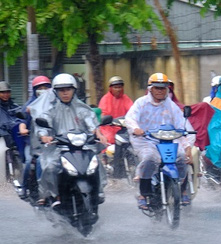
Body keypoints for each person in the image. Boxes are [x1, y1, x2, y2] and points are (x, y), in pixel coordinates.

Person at [36, 73, 108, 206]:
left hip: (82, 146)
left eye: (68, 89)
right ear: (56, 92)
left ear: (74, 90)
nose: (65, 93)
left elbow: (91, 124)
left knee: (96, 162)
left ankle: (98, 191)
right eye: (61, 90)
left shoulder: (82, 108)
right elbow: (43, 124)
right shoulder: (51, 109)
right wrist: (44, 136)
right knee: (50, 167)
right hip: (58, 148)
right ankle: (54, 195)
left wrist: (99, 134)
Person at [125, 72, 192, 209]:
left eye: (163, 88)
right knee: (149, 158)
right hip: (146, 141)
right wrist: (136, 128)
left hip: (167, 141)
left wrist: (187, 147)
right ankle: (143, 194)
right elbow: (130, 118)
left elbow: (181, 126)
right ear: (150, 89)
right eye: (157, 88)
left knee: (181, 158)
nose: (160, 91)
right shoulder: (141, 103)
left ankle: (181, 188)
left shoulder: (171, 105)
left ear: (167, 89)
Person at [19, 76, 52, 198]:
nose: (43, 90)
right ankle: (24, 187)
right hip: (34, 144)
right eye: (40, 88)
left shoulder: (55, 103)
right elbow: (22, 120)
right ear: (34, 90)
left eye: (46, 87)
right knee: (29, 162)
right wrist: (23, 129)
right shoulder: (30, 106)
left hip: (53, 142)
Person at [98, 75, 134, 178]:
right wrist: (108, 120)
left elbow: (132, 111)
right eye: (115, 87)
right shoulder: (105, 99)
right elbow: (103, 114)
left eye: (120, 87)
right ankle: (106, 162)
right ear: (110, 88)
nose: (118, 89)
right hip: (109, 127)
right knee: (108, 139)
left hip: (123, 127)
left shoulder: (126, 98)